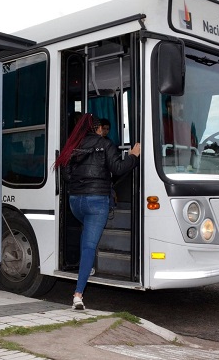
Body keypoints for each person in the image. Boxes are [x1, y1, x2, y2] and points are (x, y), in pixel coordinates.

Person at [54, 113, 140, 310]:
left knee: (87, 237)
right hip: (97, 202)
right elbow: (118, 168)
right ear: (97, 128)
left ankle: (88, 267)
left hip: (75, 203)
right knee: (88, 247)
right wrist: (133, 155)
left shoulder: (72, 146)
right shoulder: (105, 144)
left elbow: (66, 176)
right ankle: (78, 295)